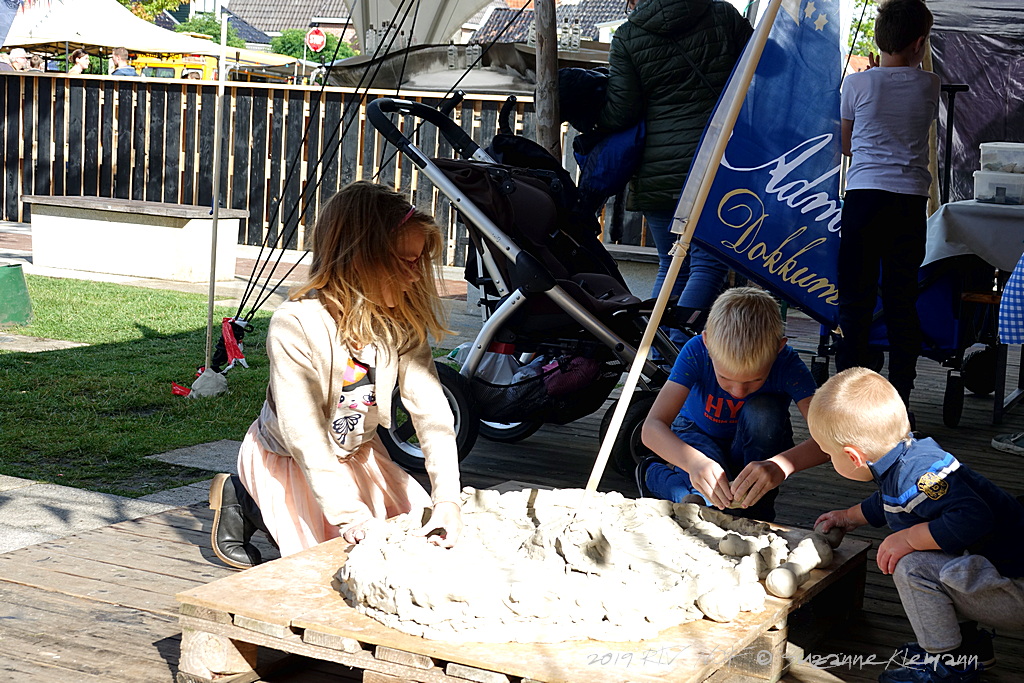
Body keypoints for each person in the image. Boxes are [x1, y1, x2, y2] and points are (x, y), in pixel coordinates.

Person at [208, 181, 464, 569]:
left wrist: (447, 498)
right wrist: (350, 516)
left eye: (420, 262)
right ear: (360, 257)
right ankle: (245, 498)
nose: (416, 276)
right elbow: (304, 434)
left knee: (415, 532)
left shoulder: (401, 322)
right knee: (329, 564)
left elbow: (432, 412)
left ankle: (270, 505)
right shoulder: (295, 324)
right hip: (291, 458)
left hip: (356, 453)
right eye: (405, 261)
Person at [812, 368, 1024, 683]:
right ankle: (969, 648)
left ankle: (946, 663)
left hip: (1013, 591)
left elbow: (974, 516)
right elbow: (891, 501)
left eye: (829, 455)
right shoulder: (909, 454)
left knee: (912, 566)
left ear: (853, 457)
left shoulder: (919, 477)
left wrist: (909, 539)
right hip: (999, 573)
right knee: (929, 551)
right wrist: (848, 517)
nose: (830, 460)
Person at [597, 0, 752, 342]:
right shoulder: (722, 15)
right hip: (718, 164)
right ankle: (677, 352)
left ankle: (657, 356)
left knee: (671, 267)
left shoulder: (628, 36)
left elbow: (622, 112)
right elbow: (763, 70)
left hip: (659, 170)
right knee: (708, 265)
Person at [639, 287, 829, 522]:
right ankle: (653, 473)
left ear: (779, 349)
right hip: (698, 435)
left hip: (755, 450)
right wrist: (693, 462)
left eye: (755, 380)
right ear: (707, 343)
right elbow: (652, 427)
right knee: (707, 501)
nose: (738, 392)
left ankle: (756, 505)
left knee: (764, 411)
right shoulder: (696, 351)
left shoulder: (787, 364)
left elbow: (833, 439)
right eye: (725, 378)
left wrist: (780, 466)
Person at [835, 0, 940, 415]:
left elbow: (847, 145)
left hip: (863, 198)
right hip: (908, 201)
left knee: (854, 300)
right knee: (901, 300)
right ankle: (901, 399)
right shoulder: (929, 85)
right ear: (919, 43)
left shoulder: (856, 85)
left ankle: (847, 400)